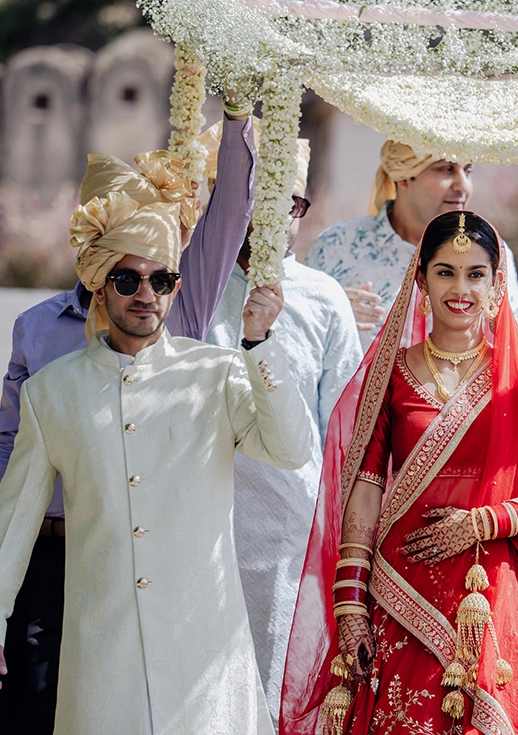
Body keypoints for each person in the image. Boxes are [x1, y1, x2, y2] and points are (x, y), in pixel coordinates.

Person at [0, 186, 315, 734]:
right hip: (102, 654)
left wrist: (260, 345)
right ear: (99, 289)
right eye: (128, 279)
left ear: (175, 289)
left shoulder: (217, 373)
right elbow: (15, 519)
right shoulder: (52, 393)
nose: (145, 293)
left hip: (204, 655)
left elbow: (291, 450)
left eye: (162, 280)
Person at [281, 211, 518, 735]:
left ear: (496, 284)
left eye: (475, 273)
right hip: (400, 586)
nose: (460, 288)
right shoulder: (390, 373)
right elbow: (366, 485)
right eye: (445, 271)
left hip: (489, 591)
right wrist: (351, 601)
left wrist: (481, 524)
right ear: (420, 279)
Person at [205, 137, 363, 727]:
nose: (270, 220)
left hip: (288, 537)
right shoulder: (191, 287)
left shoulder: (323, 300)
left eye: (289, 204)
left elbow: (344, 431)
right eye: (254, 203)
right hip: (200, 523)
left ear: (304, 208)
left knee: (276, 693)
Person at [305, 139, 518, 348]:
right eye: (446, 169)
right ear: (403, 177)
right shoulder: (336, 245)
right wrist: (331, 312)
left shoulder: (491, 254)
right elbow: (298, 337)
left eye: (467, 171)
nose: (463, 186)